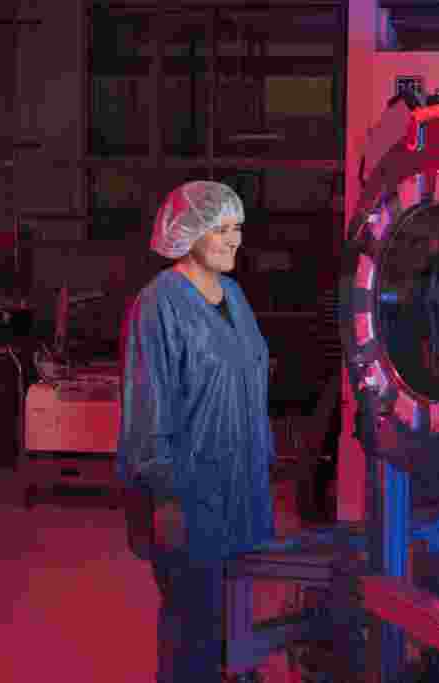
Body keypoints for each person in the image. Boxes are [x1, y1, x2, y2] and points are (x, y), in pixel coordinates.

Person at [117, 181, 274, 683]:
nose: (234, 241)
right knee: (192, 628)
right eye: (221, 229)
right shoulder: (158, 304)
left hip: (240, 487)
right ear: (188, 234)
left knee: (233, 619)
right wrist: (167, 498)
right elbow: (148, 403)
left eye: (238, 229)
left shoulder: (233, 293)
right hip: (188, 495)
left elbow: (249, 377)